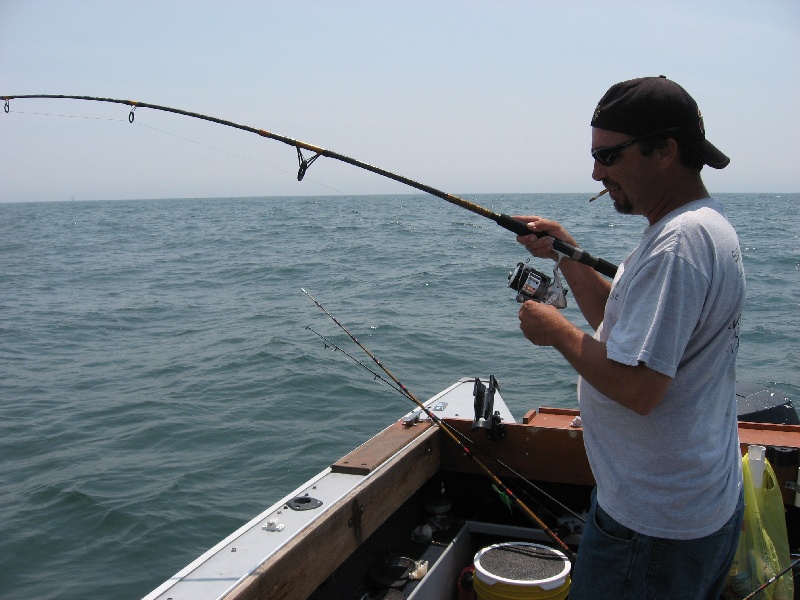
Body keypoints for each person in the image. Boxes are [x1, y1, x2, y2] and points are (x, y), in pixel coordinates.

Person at [516, 76, 745, 599]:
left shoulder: (677, 246)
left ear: (665, 150)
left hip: (652, 526)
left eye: (609, 156)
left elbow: (639, 388)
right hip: (689, 506)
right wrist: (566, 253)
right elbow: (625, 335)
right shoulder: (700, 226)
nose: (596, 172)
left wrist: (557, 332)